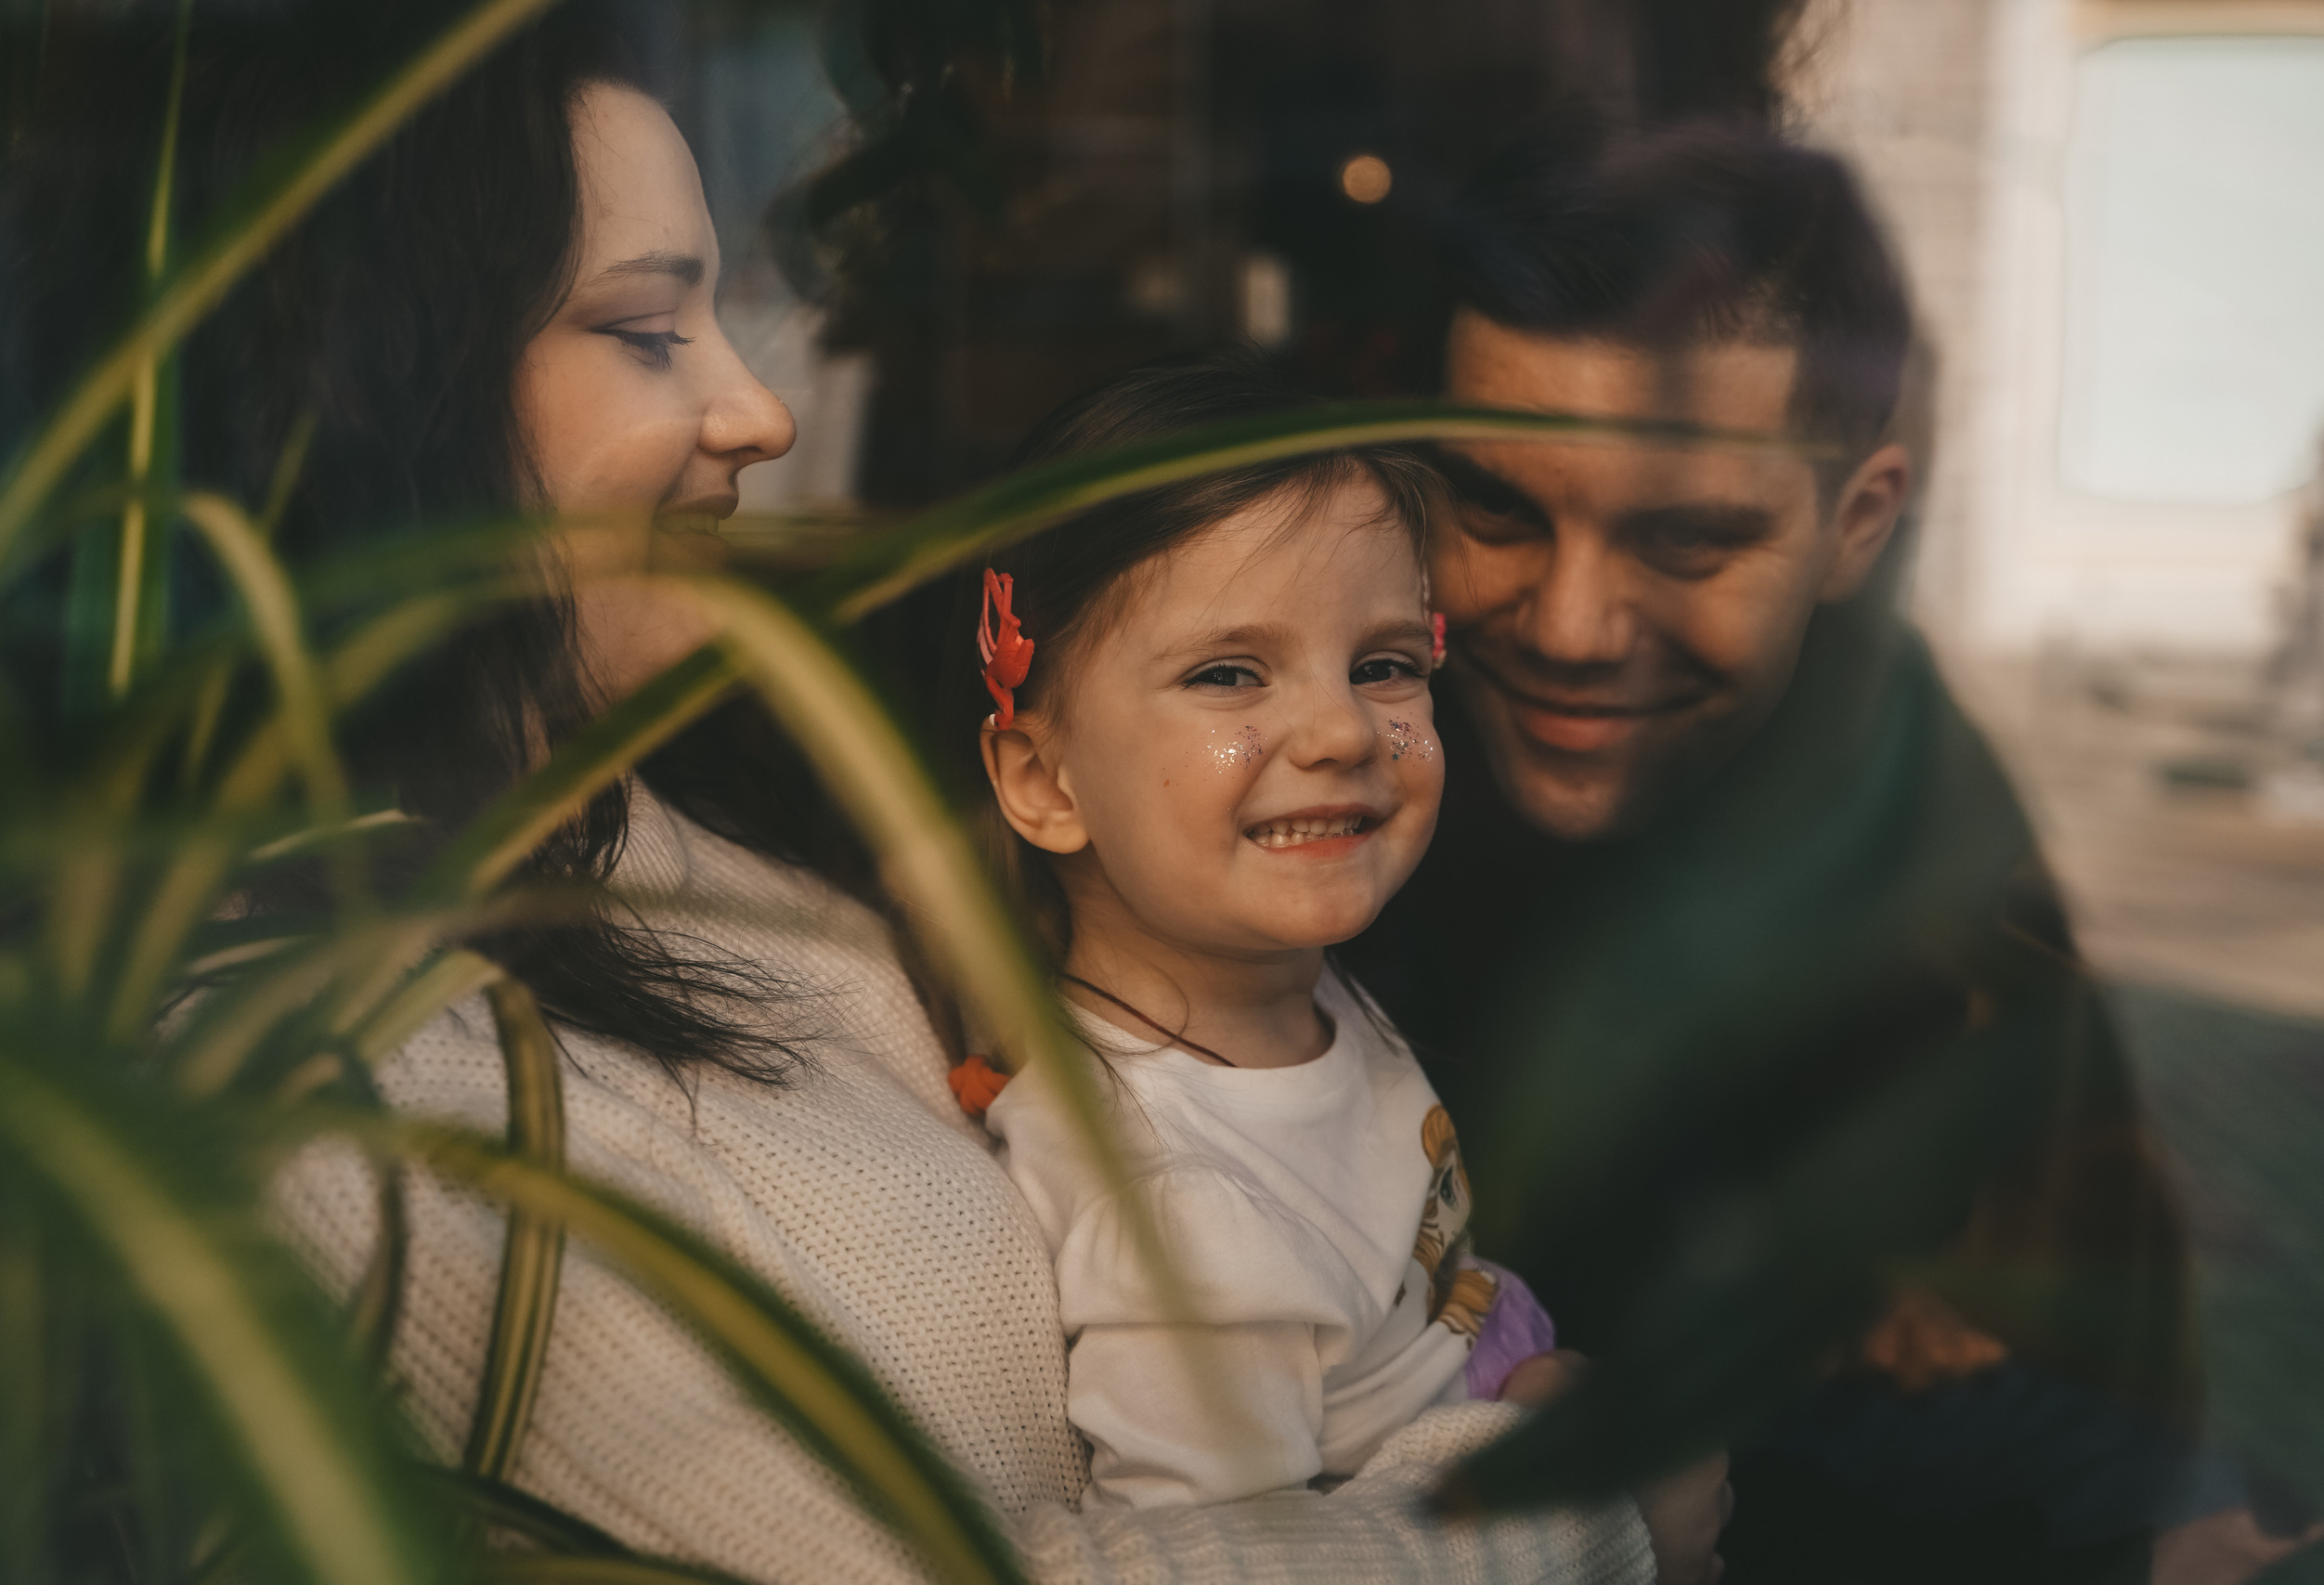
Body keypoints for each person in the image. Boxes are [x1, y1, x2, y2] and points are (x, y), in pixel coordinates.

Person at [2, 9, 1655, 1584]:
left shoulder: (670, 822)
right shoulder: (353, 1080)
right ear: (371, 386)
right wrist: (1583, 1513)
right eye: (648, 331)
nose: (761, 410)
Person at [1338, 114, 2211, 1581]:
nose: (1569, 625)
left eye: (1687, 541)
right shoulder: (1304, 813)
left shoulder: (1964, 924)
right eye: (1495, 506)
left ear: (1858, 524)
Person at [946, 352, 1577, 1513]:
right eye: (1231, 673)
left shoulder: (1292, 989)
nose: (1341, 729)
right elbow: (1242, 1561)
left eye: (1383, 664)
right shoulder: (1185, 1222)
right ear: (1045, 781)